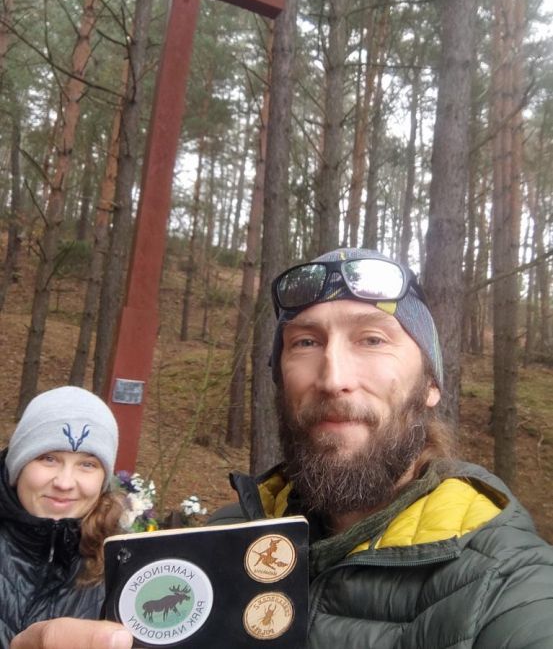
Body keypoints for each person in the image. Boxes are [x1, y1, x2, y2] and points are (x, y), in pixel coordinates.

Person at [10, 248, 553, 649]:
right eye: (306, 342)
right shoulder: (220, 539)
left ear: (431, 385)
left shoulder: (508, 587)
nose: (333, 378)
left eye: (372, 339)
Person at [0, 386, 122, 648]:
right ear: (18, 466)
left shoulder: (122, 568)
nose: (65, 483)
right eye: (49, 458)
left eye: (87, 464)